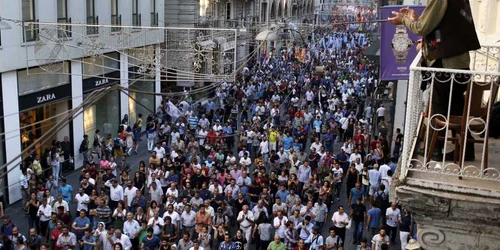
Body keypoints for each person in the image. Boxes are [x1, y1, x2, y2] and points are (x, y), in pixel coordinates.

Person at [388, 0, 479, 160]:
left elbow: (423, 28)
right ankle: (467, 151)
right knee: (456, 107)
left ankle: (434, 150)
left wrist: (403, 20)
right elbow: (438, 24)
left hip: (447, 64)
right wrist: (415, 18)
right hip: (459, 63)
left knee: (438, 108)